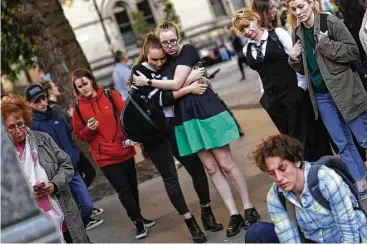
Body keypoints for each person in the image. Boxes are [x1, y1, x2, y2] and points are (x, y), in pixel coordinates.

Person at [133, 20, 260, 238]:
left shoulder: (187, 51)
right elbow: (168, 93)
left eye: (173, 40)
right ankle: (233, 214)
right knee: (211, 168)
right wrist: (188, 81)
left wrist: (150, 83)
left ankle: (249, 207)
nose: (170, 46)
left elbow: (173, 85)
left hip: (205, 111)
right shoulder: (162, 62)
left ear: (179, 37)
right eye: (165, 42)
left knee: (226, 164)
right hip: (185, 118)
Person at [130, 33, 221, 243]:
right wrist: (187, 87)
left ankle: (206, 212)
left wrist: (180, 82)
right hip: (153, 135)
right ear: (145, 54)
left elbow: (178, 84)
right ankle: (191, 223)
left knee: (198, 170)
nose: (160, 63)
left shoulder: (171, 63)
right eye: (155, 59)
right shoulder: (139, 71)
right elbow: (160, 99)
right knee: (171, 178)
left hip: (174, 127)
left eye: (162, 58)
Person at [287, 0, 367, 199]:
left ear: (311, 3)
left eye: (301, 6)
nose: (298, 12)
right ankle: (360, 181)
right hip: (321, 96)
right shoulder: (297, 32)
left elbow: (353, 51)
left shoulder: (329, 22)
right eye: (294, 8)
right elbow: (308, 68)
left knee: (363, 138)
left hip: (345, 89)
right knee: (341, 142)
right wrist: (294, 60)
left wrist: (326, 44)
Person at [71, 68, 154, 240]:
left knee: (132, 186)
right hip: (104, 157)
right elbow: (79, 134)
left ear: (92, 81)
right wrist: (88, 129)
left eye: (85, 83)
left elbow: (126, 116)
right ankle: (137, 221)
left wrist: (132, 137)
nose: (83, 88)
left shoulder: (110, 94)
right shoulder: (78, 108)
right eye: (79, 86)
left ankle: (139, 216)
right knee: (123, 189)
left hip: (123, 148)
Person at [246, 134, 367, 243]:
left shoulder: (325, 180)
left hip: (349, 238)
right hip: (313, 240)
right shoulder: (275, 196)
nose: (278, 178)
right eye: (271, 173)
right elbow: (289, 238)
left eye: (282, 168)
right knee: (256, 233)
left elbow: (350, 235)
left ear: (297, 161)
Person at [1, 96, 89, 243]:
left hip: (64, 215)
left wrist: (54, 185)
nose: (18, 130)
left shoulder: (42, 139)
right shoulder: (5, 156)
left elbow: (66, 165)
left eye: (20, 124)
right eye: (11, 127)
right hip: (35, 226)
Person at [25, 84, 104, 231]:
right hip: (55, 178)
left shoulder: (57, 113)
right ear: (29, 104)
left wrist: (73, 155)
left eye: (43, 98)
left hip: (72, 169)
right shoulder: (32, 125)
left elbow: (69, 135)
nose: (43, 103)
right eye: (37, 101)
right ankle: (80, 238)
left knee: (87, 205)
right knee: (68, 216)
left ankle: (79, 234)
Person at [232, 8, 309, 155]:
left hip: (292, 91)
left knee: (299, 135)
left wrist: (301, 86)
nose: (247, 31)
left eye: (248, 26)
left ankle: (302, 167)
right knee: (286, 137)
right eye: (242, 30)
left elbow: (296, 58)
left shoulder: (277, 34)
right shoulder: (246, 49)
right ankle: (296, 169)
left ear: (255, 19)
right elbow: (261, 72)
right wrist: (263, 95)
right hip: (272, 100)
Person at [42, 81, 99, 200]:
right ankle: (81, 201)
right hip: (68, 149)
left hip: (66, 149)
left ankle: (82, 201)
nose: (57, 87)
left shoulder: (53, 107)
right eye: (54, 86)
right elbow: (67, 127)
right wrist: (72, 117)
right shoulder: (55, 108)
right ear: (50, 91)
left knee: (85, 174)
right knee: (89, 172)